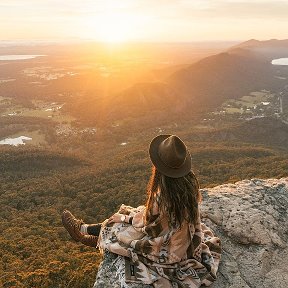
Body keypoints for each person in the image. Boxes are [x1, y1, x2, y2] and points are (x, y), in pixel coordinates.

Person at [62, 135, 221, 287]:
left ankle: (83, 232)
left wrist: (127, 219)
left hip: (170, 251)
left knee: (120, 227)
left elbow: (149, 226)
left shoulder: (163, 197)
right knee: (129, 217)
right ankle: (85, 232)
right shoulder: (190, 183)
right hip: (186, 243)